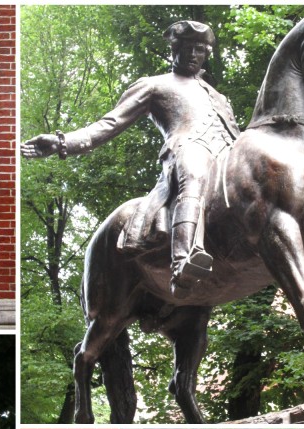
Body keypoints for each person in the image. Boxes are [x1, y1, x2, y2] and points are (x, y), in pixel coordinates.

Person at [22, 21, 241, 297]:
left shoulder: (218, 96)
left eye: (200, 49)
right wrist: (62, 142)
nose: (193, 54)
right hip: (189, 148)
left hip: (227, 154)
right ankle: (183, 260)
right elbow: (108, 125)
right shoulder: (153, 86)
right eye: (187, 48)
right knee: (194, 173)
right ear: (174, 48)